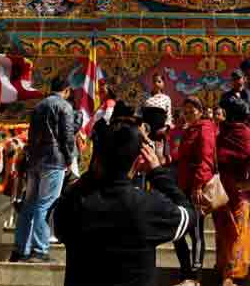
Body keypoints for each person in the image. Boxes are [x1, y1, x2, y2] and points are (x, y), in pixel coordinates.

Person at [54, 121, 193, 286]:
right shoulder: (148, 205)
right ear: (138, 161)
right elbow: (188, 214)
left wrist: (92, 173)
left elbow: (55, 224)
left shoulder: (74, 202)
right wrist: (157, 173)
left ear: (97, 159)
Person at [11, 76, 76, 263]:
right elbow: (67, 135)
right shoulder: (64, 106)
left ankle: (20, 249)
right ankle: (39, 250)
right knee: (46, 205)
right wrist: (69, 158)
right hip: (54, 160)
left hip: (35, 160)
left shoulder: (39, 106)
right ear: (66, 90)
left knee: (29, 204)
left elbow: (31, 135)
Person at [214, 93, 250, 286]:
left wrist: (226, 160)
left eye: (225, 110)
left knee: (236, 229)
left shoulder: (242, 131)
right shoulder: (223, 130)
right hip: (223, 187)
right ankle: (223, 268)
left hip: (237, 187)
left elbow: (248, 155)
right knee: (224, 228)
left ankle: (233, 272)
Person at [174, 96, 216, 286]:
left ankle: (195, 276)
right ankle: (185, 271)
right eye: (186, 111)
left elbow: (206, 159)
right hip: (181, 186)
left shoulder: (205, 129)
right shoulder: (187, 130)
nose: (189, 114)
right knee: (178, 231)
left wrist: (199, 184)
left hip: (195, 187)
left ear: (200, 111)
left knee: (196, 232)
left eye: (192, 111)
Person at [142, 73, 173, 163]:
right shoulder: (146, 97)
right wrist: (143, 131)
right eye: (154, 81)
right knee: (147, 158)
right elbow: (142, 115)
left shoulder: (166, 98)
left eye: (159, 81)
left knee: (160, 159)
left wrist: (165, 128)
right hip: (147, 133)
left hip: (160, 132)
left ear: (163, 84)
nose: (156, 83)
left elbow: (169, 116)